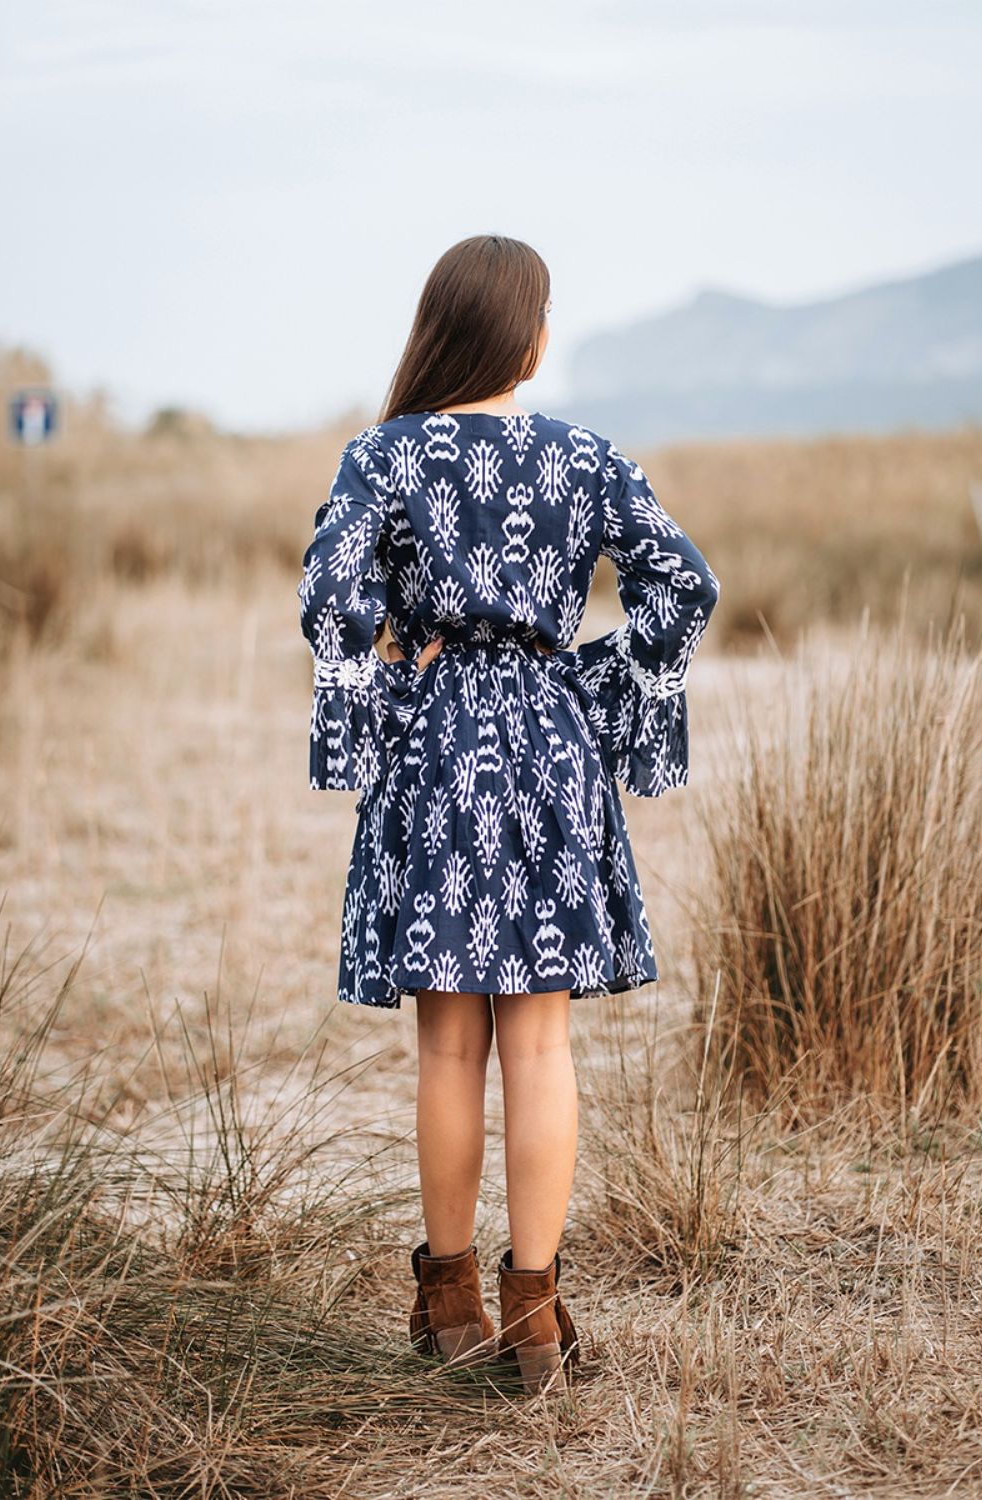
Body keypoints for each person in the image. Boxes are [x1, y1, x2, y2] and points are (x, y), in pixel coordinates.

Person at [297, 234, 720, 1398]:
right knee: (539, 1045)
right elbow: (685, 585)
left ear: (442, 330)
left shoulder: (381, 455)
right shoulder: (585, 457)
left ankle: (449, 1307)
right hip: (547, 749)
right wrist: (589, 680)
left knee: (447, 1042)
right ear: (526, 340)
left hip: (436, 751)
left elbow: (328, 597)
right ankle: (534, 1315)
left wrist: (391, 682)